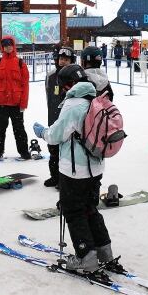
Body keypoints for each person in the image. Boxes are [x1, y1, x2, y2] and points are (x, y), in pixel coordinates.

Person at [32, 65, 117, 272]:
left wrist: (42, 131)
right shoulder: (96, 99)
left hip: (73, 170)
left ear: (66, 85)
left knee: (73, 211)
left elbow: (56, 135)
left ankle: (86, 255)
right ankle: (104, 250)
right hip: (96, 167)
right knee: (89, 208)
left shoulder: (73, 104)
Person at [0, 36, 30, 160]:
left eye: (10, 45)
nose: (8, 47)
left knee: (19, 129)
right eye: (5, 46)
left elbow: (25, 85)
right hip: (0, 104)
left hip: (16, 104)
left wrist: (23, 103)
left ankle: (24, 152)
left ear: (13, 46)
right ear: (3, 47)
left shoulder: (21, 63)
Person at [44, 46, 75, 187]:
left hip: (69, 121)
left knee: (68, 151)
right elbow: (48, 97)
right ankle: (54, 176)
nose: (63, 62)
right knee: (53, 149)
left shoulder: (76, 76)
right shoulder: (50, 76)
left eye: (66, 59)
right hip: (53, 118)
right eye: (61, 59)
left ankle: (65, 180)